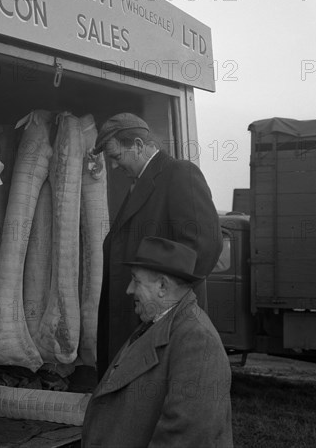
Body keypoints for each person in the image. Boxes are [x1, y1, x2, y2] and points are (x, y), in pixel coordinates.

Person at [93, 112, 222, 373]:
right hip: (138, 321)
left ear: (139, 145)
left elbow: (204, 246)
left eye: (116, 157)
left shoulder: (180, 173)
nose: (115, 167)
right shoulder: (139, 184)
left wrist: (163, 305)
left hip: (161, 325)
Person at [82, 236, 233, 448]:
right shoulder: (159, 322)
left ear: (162, 286)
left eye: (136, 280)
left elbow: (186, 438)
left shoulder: (198, 341)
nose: (128, 290)